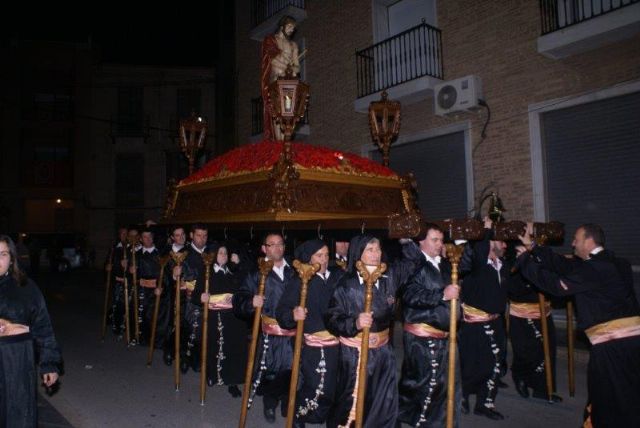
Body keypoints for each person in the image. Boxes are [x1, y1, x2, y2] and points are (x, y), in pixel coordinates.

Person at [517, 223, 640, 427]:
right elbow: (564, 266)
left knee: (609, 401)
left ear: (589, 241)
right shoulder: (616, 263)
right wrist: (533, 247)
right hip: (632, 344)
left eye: (576, 239)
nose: (572, 243)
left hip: (612, 346)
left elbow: (556, 286)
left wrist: (525, 262)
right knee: (629, 395)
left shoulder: (594, 269)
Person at [325, 234, 418, 427]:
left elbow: (414, 262)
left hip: (383, 351)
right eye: (370, 250)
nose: (376, 254)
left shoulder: (389, 276)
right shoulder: (346, 284)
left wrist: (406, 241)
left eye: (378, 249)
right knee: (354, 399)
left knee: (383, 399)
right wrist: (355, 323)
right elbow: (331, 319)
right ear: (358, 254)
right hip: (355, 353)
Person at [397, 223, 461, 427]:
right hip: (421, 337)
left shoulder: (444, 264)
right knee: (424, 383)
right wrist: (441, 295)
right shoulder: (413, 265)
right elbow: (410, 294)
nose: (439, 244)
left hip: (444, 336)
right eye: (435, 240)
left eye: (441, 240)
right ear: (421, 241)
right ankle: (415, 419)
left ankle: (438, 421)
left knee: (443, 383)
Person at [276, 239, 344, 427]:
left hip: (339, 342)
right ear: (308, 258)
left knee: (333, 388)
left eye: (326, 255)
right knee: (316, 387)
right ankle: (296, 412)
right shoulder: (301, 280)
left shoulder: (337, 277)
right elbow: (282, 311)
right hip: (314, 345)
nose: (324, 260)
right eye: (319, 256)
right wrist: (293, 313)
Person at [233, 232, 296, 424]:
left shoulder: (296, 271)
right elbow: (239, 299)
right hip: (272, 335)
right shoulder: (256, 274)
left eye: (280, 244)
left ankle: (287, 401)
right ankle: (270, 402)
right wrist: (251, 301)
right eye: (272, 244)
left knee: (294, 370)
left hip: (294, 333)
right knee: (272, 370)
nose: (277, 248)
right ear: (264, 248)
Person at [0, 234, 61, 427]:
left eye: (2, 254)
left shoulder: (25, 286)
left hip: (16, 359)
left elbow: (43, 327)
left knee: (17, 412)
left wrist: (49, 363)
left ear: (11, 259)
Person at [458, 217, 508, 420]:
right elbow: (478, 252)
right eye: (500, 240)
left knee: (495, 364)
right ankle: (463, 395)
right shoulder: (476, 266)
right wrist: (486, 231)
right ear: (489, 243)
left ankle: (485, 403)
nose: (505, 245)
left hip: (496, 322)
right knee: (472, 366)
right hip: (474, 326)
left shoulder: (501, 266)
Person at [506, 246, 561, 402]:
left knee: (546, 352)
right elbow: (512, 289)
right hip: (522, 315)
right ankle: (520, 378)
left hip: (543, 313)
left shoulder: (538, 263)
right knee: (525, 352)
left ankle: (543, 388)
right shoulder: (512, 267)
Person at [198, 242, 247, 397]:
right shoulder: (206, 273)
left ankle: (232, 381)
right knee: (213, 346)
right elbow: (196, 294)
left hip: (232, 318)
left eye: (225, 253)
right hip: (214, 317)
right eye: (220, 253)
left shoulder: (232, 272)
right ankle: (212, 375)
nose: (223, 256)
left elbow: (243, 287)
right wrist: (201, 297)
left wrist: (238, 265)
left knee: (233, 348)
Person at [261, 15, 300, 141]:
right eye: (289, 27)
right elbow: (272, 60)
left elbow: (297, 67)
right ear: (282, 26)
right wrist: (287, 66)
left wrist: (293, 69)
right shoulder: (272, 40)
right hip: (275, 83)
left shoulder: (293, 45)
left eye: (293, 28)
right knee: (277, 115)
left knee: (287, 117)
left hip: (289, 84)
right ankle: (279, 145)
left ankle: (286, 145)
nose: (291, 30)